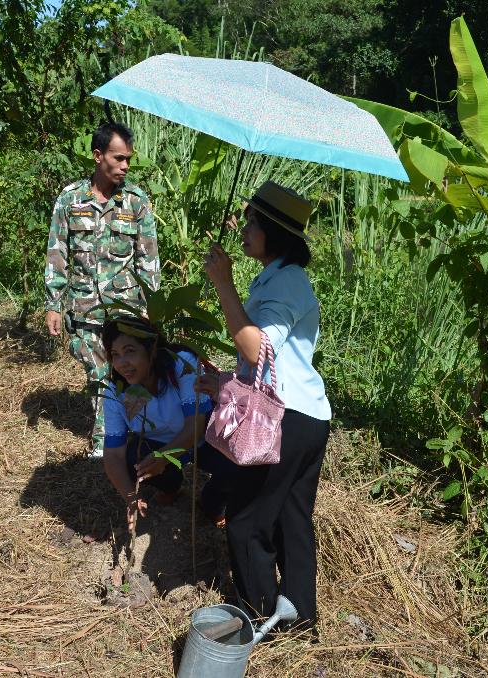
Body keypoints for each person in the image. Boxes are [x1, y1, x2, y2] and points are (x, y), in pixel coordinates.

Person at [199, 181, 332, 631]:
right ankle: (299, 615)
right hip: (307, 416)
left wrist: (223, 284)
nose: (245, 226)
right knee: (291, 519)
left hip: (286, 420)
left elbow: (260, 350)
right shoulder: (278, 275)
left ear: (275, 232)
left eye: (254, 221)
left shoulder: (288, 281)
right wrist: (225, 380)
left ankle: (259, 616)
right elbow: (268, 362)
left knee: (246, 522)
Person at [44, 122, 160, 457]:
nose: (125, 165)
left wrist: (150, 306)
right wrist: (54, 302)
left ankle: (121, 440)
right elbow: (58, 252)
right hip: (84, 308)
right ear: (98, 156)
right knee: (98, 373)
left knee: (127, 375)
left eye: (128, 159)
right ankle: (108, 440)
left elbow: (147, 258)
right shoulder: (70, 200)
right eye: (119, 158)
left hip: (125, 309)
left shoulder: (136, 202)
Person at [100, 317, 236, 531]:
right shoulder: (116, 391)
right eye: (115, 355)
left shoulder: (180, 363)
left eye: (130, 351)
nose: (122, 363)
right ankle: (170, 486)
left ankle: (212, 502)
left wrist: (164, 456)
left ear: (152, 349)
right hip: (160, 445)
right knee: (133, 457)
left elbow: (196, 424)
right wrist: (130, 497)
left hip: (205, 440)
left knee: (235, 465)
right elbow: (113, 454)